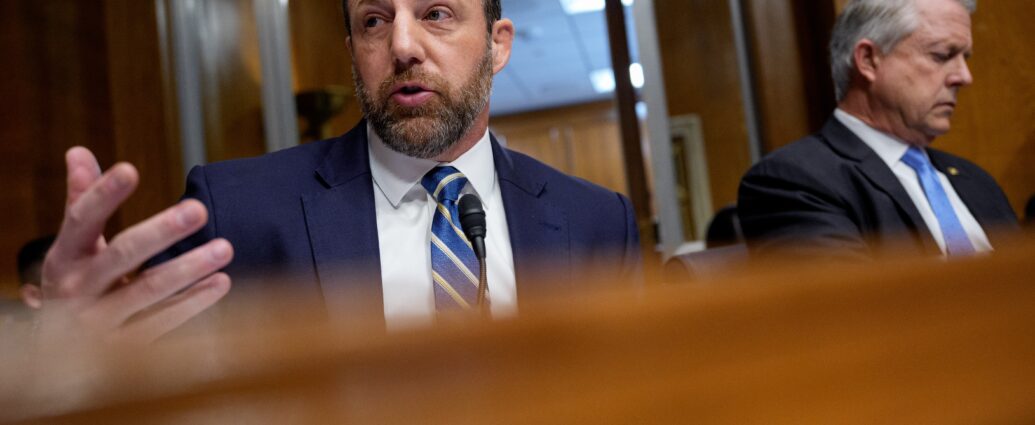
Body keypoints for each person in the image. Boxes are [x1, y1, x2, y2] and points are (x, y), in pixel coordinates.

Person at [38, 0, 641, 342]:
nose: (402, 46)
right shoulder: (236, 211)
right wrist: (69, 350)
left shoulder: (597, 222)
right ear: (354, 52)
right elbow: (132, 375)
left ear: (498, 44)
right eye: (374, 20)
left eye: (436, 13)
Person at [738, 0, 1018, 261]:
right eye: (942, 56)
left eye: (965, 58)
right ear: (869, 60)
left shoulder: (976, 181)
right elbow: (846, 296)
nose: (964, 77)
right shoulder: (795, 182)